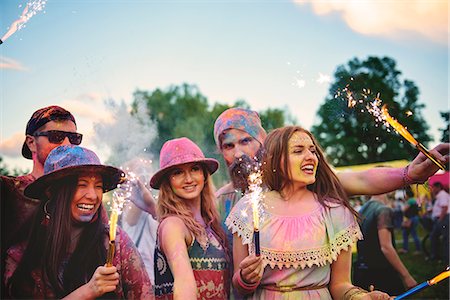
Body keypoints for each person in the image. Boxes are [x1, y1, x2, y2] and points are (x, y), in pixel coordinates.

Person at [213, 107, 450, 230]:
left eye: (245, 141)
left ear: (263, 142)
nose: (238, 153)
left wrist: (408, 173)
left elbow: (362, 180)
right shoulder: (220, 200)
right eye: (228, 145)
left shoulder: (298, 183)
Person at [226, 126, 390, 299]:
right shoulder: (249, 208)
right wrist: (245, 278)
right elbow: (239, 286)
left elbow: (341, 285)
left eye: (313, 151)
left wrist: (361, 297)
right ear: (275, 160)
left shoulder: (334, 211)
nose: (311, 157)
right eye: (298, 151)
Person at [4, 145, 153, 299]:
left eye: (98, 186)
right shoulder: (21, 255)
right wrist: (89, 291)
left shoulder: (115, 243)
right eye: (82, 185)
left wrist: (153, 209)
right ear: (51, 191)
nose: (93, 196)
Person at [1, 105, 81, 297]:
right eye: (55, 136)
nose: (67, 144)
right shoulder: (7, 191)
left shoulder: (84, 198)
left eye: (74, 138)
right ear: (31, 142)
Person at [151, 137, 230, 299]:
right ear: (168, 182)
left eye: (194, 169)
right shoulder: (173, 226)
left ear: (204, 175)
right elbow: (184, 283)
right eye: (178, 172)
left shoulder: (212, 224)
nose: (188, 179)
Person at [353, 192, 417, 295]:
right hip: (382, 272)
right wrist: (407, 276)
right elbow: (386, 247)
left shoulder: (362, 209)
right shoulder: (383, 210)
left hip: (362, 272)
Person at [121, 176, 158, 285]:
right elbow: (131, 220)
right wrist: (141, 191)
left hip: (155, 270)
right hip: (141, 273)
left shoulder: (156, 203)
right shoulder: (131, 205)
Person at [429, 182, 450, 262]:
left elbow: (444, 207)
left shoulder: (442, 195)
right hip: (443, 218)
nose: (432, 189)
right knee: (436, 237)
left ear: (438, 187)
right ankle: (437, 256)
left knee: (444, 239)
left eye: (433, 188)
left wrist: (440, 219)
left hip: (444, 219)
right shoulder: (441, 195)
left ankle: (445, 258)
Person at [398, 186, 421, 254]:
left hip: (411, 219)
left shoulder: (410, 200)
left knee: (413, 234)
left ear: (408, 195)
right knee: (405, 233)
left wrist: (403, 204)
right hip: (414, 218)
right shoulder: (414, 200)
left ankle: (418, 250)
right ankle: (405, 248)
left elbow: (404, 209)